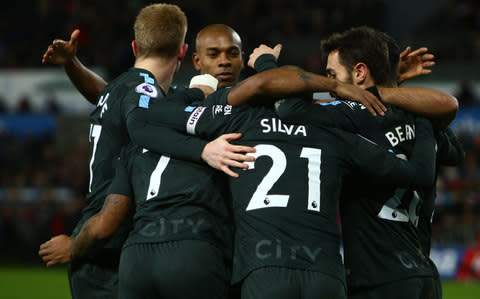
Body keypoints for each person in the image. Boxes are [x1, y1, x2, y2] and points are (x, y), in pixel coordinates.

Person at [97, 72, 439, 299]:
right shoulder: (337, 137)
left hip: (262, 269)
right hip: (324, 273)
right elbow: (418, 175)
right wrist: (424, 126)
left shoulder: (236, 123)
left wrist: (200, 143)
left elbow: (143, 121)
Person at [38, 5, 262, 298]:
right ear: (184, 54)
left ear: (135, 46)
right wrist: (204, 148)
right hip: (108, 236)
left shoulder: (125, 90)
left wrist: (71, 64)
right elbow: (139, 123)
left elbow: (107, 95)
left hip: (101, 232)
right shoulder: (145, 95)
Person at [272, 26, 460, 298]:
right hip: (424, 275)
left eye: (332, 76)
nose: (332, 85)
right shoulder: (422, 117)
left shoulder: (352, 116)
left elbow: (290, 107)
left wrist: (358, 91)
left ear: (359, 73)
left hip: (378, 278)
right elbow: (454, 152)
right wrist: (392, 86)